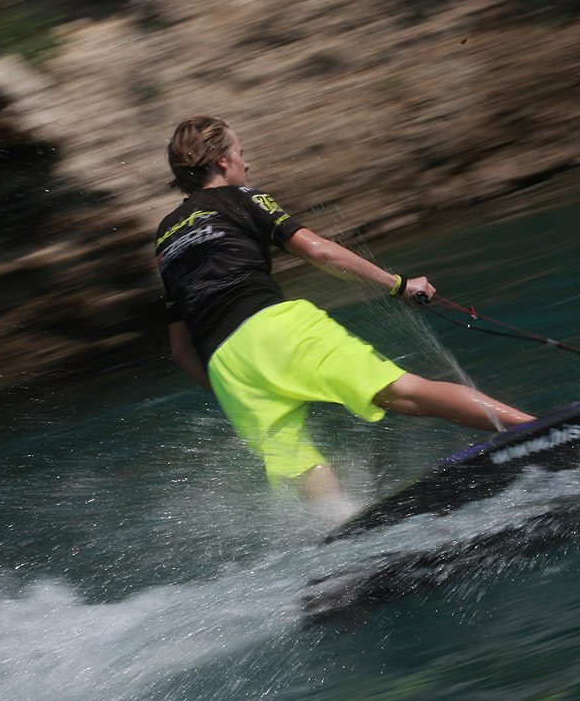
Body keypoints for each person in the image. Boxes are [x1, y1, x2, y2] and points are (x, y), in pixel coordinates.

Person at [155, 115, 535, 508]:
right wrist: (399, 284)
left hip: (225, 367)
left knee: (299, 463)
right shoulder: (242, 196)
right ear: (221, 160)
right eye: (240, 152)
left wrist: (233, 390)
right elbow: (317, 250)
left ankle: (345, 536)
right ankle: (538, 430)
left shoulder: (166, 235)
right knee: (405, 393)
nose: (245, 163)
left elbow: (181, 352)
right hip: (274, 329)